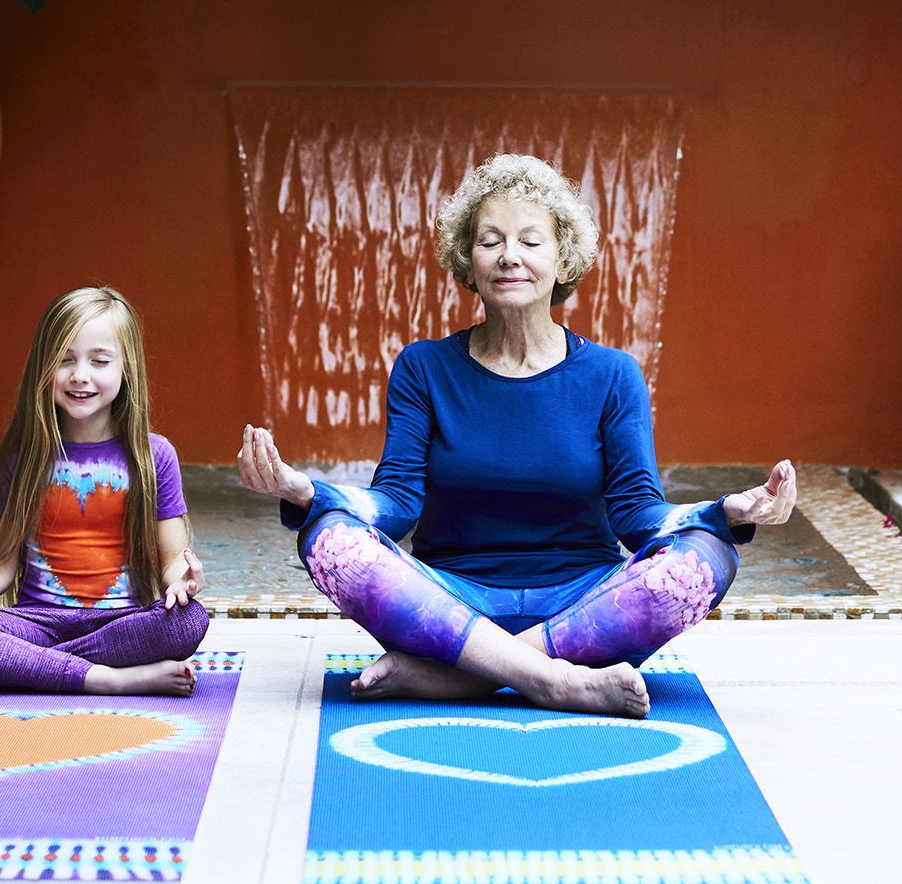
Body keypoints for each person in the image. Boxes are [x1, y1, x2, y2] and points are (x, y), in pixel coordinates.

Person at [239, 154, 797, 718]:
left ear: (562, 260)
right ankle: (555, 683)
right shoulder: (423, 367)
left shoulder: (613, 374)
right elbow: (396, 503)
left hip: (583, 608)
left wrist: (725, 510)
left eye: (531, 241)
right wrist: (308, 493)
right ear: (469, 261)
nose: (510, 257)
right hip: (451, 603)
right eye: (490, 240)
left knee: (708, 555)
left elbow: (639, 516)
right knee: (328, 538)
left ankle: (460, 679)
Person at [0, 286, 209, 696]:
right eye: (64, 360)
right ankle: (107, 679)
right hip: (35, 622)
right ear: (43, 367)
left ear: (127, 370)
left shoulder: (154, 455)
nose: (80, 375)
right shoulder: (24, 456)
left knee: (189, 621)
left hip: (120, 626)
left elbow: (171, 559)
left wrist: (183, 582)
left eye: (99, 361)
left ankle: (16, 667)